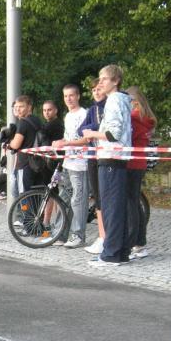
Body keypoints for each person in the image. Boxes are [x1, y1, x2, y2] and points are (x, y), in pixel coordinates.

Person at [82, 65, 132, 266]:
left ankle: (111, 254)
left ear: (115, 81)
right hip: (117, 158)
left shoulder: (113, 100)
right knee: (117, 207)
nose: (100, 82)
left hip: (111, 157)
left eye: (104, 79)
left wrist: (91, 134)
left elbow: (113, 133)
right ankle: (121, 252)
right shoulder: (123, 100)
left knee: (111, 208)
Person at [51, 84, 89, 248]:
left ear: (78, 96)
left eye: (71, 95)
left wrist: (66, 143)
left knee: (78, 200)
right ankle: (60, 234)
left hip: (80, 164)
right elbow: (68, 138)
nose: (68, 99)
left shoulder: (84, 114)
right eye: (66, 96)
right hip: (68, 162)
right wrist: (60, 144)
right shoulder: (67, 116)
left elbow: (86, 139)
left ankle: (78, 235)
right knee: (64, 197)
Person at [125, 86, 156, 258]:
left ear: (134, 102)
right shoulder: (146, 118)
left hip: (131, 163)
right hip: (139, 162)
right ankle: (140, 242)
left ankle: (132, 243)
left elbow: (127, 138)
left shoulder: (134, 118)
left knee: (131, 205)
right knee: (135, 204)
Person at [78, 81, 107, 255]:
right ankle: (102, 236)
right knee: (97, 196)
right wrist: (89, 130)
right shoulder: (92, 110)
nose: (96, 92)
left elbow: (105, 127)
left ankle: (109, 236)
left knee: (107, 196)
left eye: (99, 89)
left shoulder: (110, 107)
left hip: (107, 156)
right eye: (93, 90)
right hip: (93, 156)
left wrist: (92, 129)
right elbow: (81, 129)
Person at [8, 95, 42, 194]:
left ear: (29, 107)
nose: (18, 109)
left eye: (21, 106)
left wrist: (9, 142)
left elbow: (16, 144)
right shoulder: (37, 120)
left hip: (24, 164)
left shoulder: (23, 122)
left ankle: (25, 205)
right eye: (16, 107)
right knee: (36, 196)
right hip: (37, 163)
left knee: (23, 195)